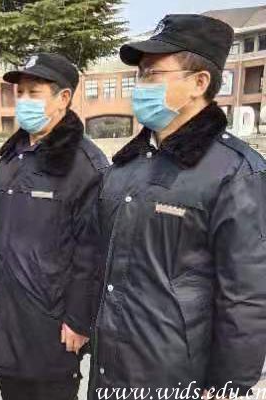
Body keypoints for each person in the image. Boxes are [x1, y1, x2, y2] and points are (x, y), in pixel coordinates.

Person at [90, 15, 266, 400]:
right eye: (139, 74)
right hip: (110, 369)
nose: (141, 86)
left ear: (199, 83)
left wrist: (228, 386)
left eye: (153, 74)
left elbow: (246, 296)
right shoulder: (125, 167)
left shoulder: (235, 172)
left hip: (177, 377)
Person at [0, 53, 109, 400]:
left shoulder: (85, 165)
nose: (23, 101)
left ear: (63, 98)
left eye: (34, 93)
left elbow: (92, 253)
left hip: (52, 324)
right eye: (19, 93)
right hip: (7, 315)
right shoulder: (11, 157)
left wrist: (79, 320)